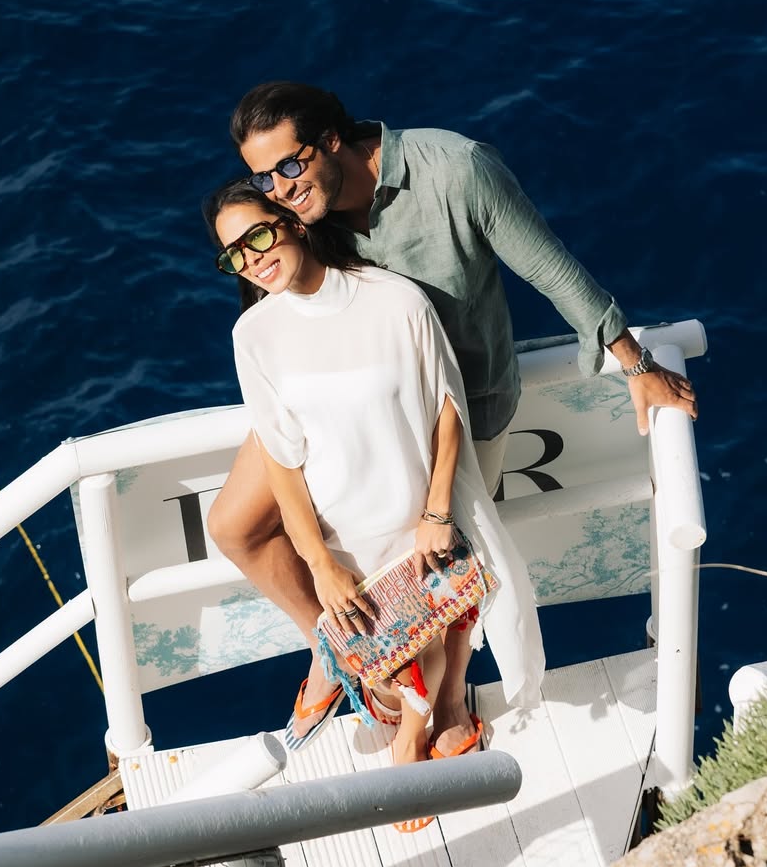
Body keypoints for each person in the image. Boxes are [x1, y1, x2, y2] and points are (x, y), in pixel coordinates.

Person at [209, 81, 698, 757]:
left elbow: (551, 268)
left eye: (289, 166)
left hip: (463, 404)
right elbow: (279, 298)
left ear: (332, 141)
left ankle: (446, 700)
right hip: (344, 400)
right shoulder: (299, 210)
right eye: (264, 177)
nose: (279, 189)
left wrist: (635, 361)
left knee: (440, 556)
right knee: (234, 525)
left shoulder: (456, 170)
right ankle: (337, 649)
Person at [205, 179, 544, 826]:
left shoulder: (395, 300)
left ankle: (412, 738)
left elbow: (447, 406)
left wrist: (437, 512)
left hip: (412, 515)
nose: (252, 258)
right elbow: (281, 458)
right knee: (390, 654)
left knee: (426, 631)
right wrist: (319, 562)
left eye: (259, 235)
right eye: (235, 254)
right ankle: (400, 704)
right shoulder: (255, 333)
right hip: (342, 527)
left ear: (293, 221)